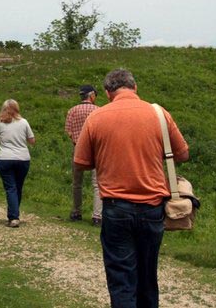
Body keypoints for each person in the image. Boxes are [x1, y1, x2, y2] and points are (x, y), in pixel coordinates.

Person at [73, 69, 189, 308]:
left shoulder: (97, 118)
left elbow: (81, 162)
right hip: (153, 207)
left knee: (121, 278)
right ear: (135, 88)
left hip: (116, 208)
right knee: (148, 276)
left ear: (107, 93)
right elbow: (183, 153)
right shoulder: (159, 113)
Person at [0, 99, 36, 228]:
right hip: (22, 158)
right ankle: (14, 214)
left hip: (5, 158)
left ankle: (13, 216)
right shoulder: (23, 122)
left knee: (10, 188)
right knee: (18, 187)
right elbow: (32, 140)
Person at [66, 84, 103, 226]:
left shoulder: (72, 111)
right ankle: (97, 216)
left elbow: (69, 132)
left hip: (78, 149)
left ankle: (76, 211)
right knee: (97, 184)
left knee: (77, 183)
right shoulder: (99, 111)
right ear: (92, 95)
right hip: (95, 150)